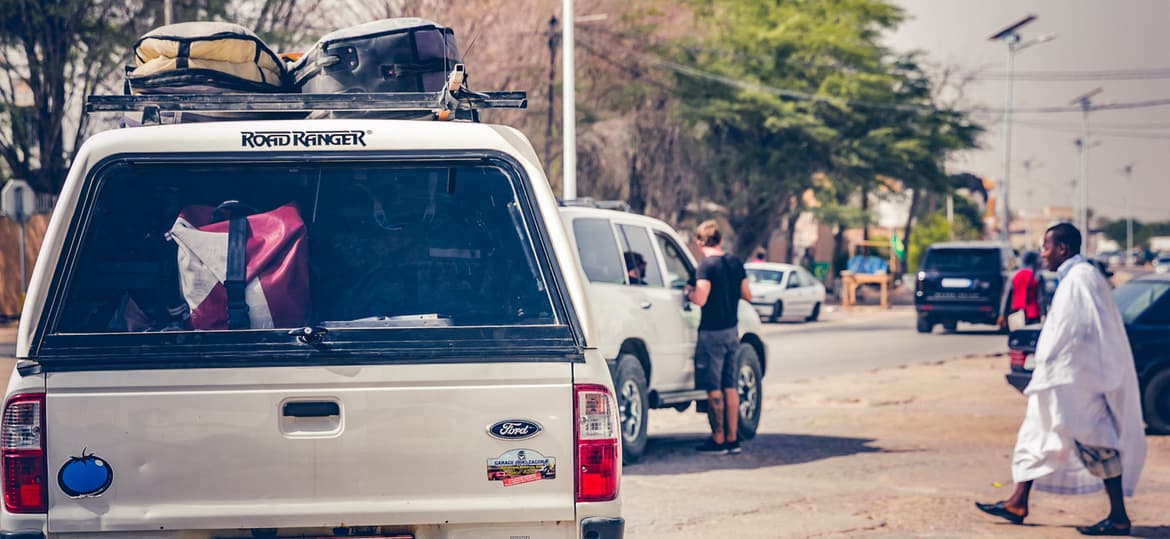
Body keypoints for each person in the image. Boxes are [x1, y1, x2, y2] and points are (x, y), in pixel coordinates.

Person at [976, 223, 1147, 536]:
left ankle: (1119, 517)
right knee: (1036, 434)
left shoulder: (1081, 279)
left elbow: (1080, 329)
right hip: (1060, 378)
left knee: (1097, 441)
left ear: (1062, 249)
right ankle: (1017, 501)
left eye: (1046, 247)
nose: (1042, 254)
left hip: (1076, 381)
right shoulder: (1076, 278)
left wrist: (1055, 366)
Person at [685, 220, 751, 455]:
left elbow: (700, 299)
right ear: (721, 240)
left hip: (711, 333)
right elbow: (747, 294)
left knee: (714, 388)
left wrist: (689, 291)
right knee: (730, 386)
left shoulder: (706, 266)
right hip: (732, 331)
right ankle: (733, 440)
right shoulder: (734, 263)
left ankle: (718, 438)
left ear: (699, 241)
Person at [1001, 251, 1043, 328]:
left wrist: (1002, 314)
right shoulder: (1037, 276)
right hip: (1033, 314)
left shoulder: (1014, 276)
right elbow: (1041, 298)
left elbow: (1007, 297)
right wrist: (1044, 314)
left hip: (1016, 314)